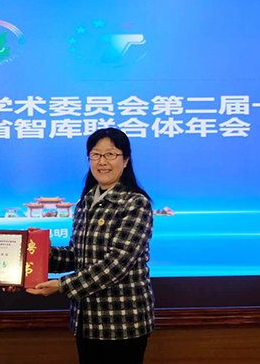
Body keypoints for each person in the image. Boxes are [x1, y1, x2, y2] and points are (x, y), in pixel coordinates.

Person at [27, 128, 154, 364]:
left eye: (110, 154)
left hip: (122, 322)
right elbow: (77, 256)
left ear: (126, 160)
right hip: (87, 322)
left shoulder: (136, 203)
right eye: (95, 155)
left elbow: (117, 264)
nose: (102, 162)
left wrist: (61, 285)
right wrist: (35, 251)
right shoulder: (85, 202)